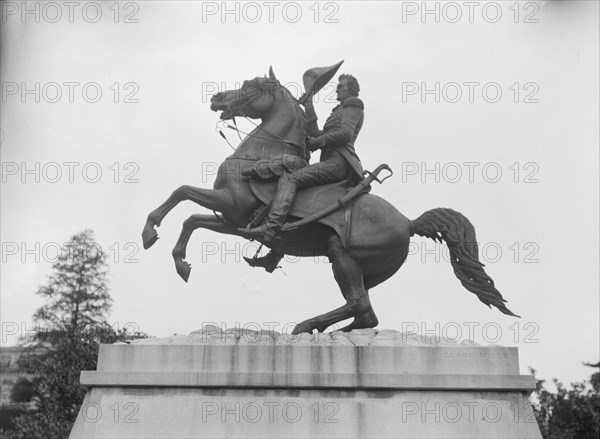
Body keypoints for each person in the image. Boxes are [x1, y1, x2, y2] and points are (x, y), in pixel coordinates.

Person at [244, 74, 365, 272]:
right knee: (296, 193)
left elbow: (344, 134)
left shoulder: (354, 105)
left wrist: (318, 143)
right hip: (329, 161)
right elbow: (317, 134)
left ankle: (271, 227)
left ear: (351, 89)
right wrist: (308, 105)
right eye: (338, 86)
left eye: (341, 86)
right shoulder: (338, 110)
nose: (337, 89)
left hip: (338, 164)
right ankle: (275, 254)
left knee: (291, 180)